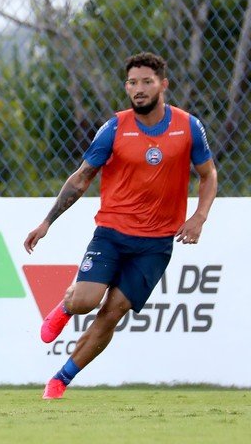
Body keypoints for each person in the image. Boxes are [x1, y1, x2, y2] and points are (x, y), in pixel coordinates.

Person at [25, 52, 217, 400]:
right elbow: (82, 178)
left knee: (113, 312)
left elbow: (208, 175)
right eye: (132, 82)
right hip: (112, 233)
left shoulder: (188, 126)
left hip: (156, 244)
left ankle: (60, 380)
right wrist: (47, 222)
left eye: (147, 81)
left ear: (163, 85)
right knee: (86, 300)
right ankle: (66, 308)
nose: (139, 89)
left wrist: (199, 217)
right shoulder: (115, 127)